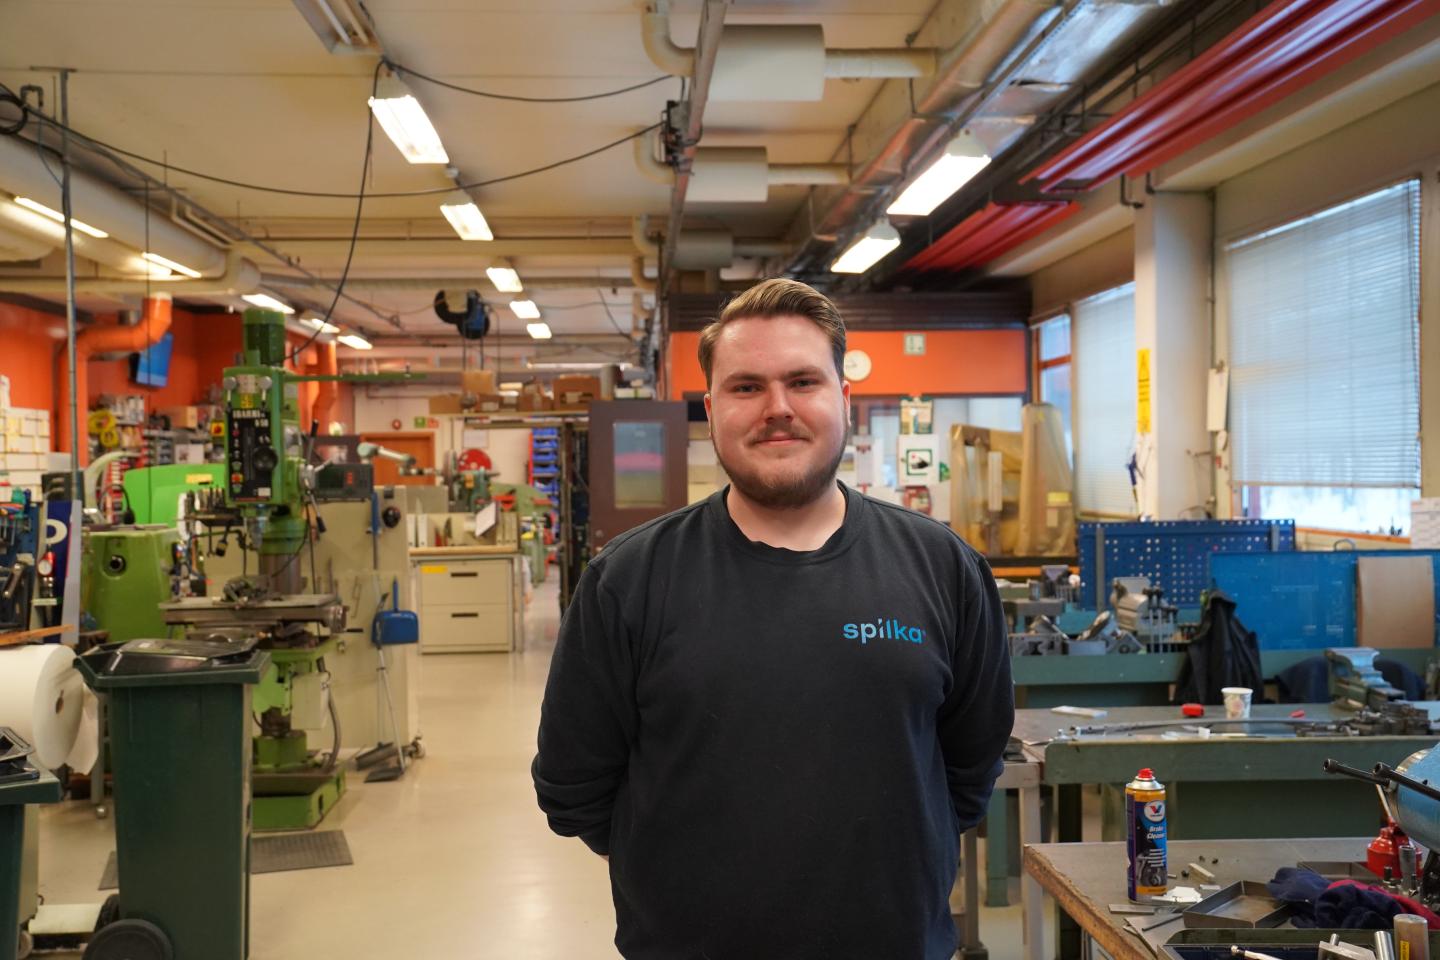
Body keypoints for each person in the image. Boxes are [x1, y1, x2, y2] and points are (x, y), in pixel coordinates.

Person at [532, 278, 1014, 960]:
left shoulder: (943, 569)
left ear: (842, 396)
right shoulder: (628, 580)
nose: (777, 408)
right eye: (747, 387)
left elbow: (971, 766)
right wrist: (683, 882)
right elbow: (573, 786)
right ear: (711, 407)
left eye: (803, 381)